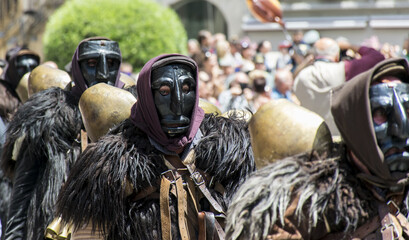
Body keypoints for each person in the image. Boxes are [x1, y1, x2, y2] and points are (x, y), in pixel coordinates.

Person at [55, 53, 255, 239]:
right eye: (164, 91)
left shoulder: (229, 151)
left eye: (186, 89)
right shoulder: (110, 163)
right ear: (147, 95)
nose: (177, 104)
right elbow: (90, 234)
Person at [226, 57, 409, 239]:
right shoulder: (301, 207)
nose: (401, 127)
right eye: (381, 113)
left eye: (408, 110)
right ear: (357, 123)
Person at [1, 36, 123, 240]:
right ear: (78, 67)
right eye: (92, 64)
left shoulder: (133, 119)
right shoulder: (49, 117)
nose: (103, 73)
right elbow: (22, 196)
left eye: (111, 64)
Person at [293, 37, 385, 136]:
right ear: (336, 56)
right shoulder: (345, 68)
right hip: (339, 137)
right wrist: (348, 45)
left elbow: (292, 80)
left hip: (308, 137)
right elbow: (377, 57)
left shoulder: (302, 75)